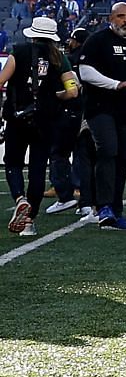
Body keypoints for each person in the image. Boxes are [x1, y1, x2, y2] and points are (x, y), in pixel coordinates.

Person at [75, 2, 126, 230]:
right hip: (100, 108)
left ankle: (116, 210)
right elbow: (85, 72)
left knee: (122, 159)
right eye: (121, 16)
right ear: (111, 18)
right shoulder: (97, 40)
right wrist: (116, 85)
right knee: (108, 150)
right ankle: (104, 206)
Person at [5, 16, 73, 238]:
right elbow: (73, 91)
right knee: (37, 167)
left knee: (13, 162)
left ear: (32, 34)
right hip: (46, 120)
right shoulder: (59, 58)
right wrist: (54, 96)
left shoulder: (19, 51)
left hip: (18, 117)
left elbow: (1, 80)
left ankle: (19, 198)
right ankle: (29, 222)